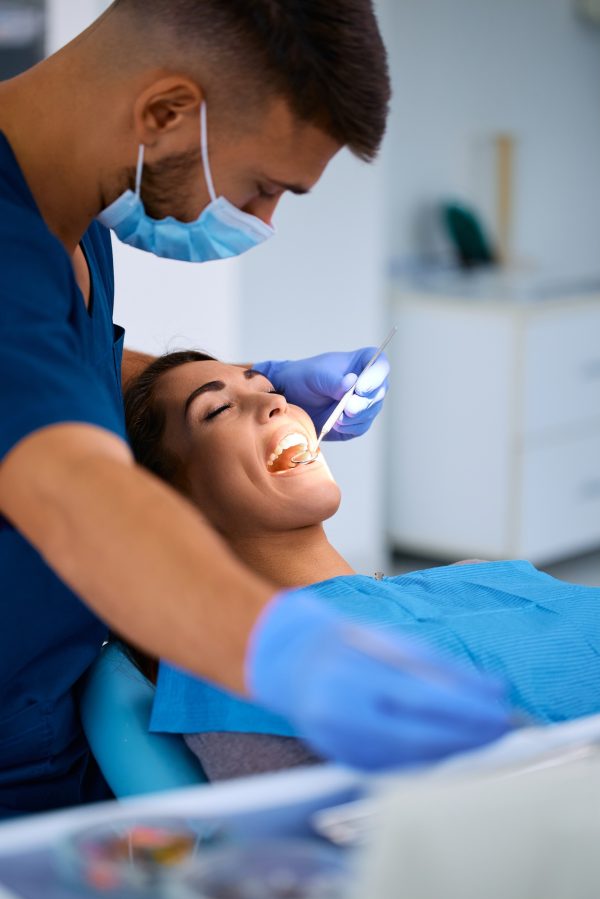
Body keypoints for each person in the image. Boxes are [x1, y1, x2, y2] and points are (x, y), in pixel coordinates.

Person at [0, 1, 509, 818]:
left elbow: (40, 363)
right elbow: (72, 492)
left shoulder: (65, 217)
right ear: (167, 113)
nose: (263, 220)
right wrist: (280, 651)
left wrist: (247, 376)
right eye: (265, 187)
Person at [120, 352, 600, 781]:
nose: (277, 405)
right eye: (219, 409)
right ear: (174, 502)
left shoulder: (481, 575)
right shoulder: (241, 669)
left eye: (269, 389)